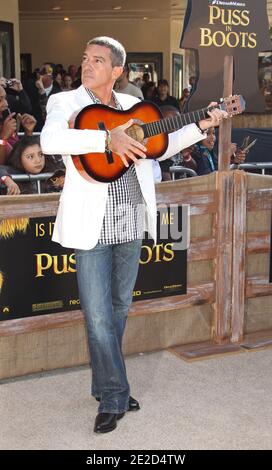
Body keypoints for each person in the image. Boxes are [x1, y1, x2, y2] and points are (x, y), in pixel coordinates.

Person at [41, 36, 227, 434]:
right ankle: (114, 395)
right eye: (85, 58)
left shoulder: (133, 108)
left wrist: (201, 125)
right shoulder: (66, 103)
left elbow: (161, 145)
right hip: (91, 224)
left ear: (118, 71)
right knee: (97, 315)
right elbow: (50, 140)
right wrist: (105, 138)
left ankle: (104, 384)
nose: (88, 65)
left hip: (130, 219)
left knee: (119, 308)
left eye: (98, 60)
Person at [0, 135, 65, 195]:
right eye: (30, 156)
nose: (38, 160)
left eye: (41, 155)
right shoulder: (14, 172)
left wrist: (61, 181)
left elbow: (55, 180)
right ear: (19, 159)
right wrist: (8, 181)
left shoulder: (50, 172)